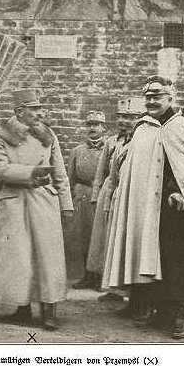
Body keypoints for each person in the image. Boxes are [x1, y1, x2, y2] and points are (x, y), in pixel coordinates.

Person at [101, 76, 184, 339]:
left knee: (176, 259)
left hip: (177, 209)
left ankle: (180, 314)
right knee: (151, 257)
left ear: (171, 97)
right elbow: (135, 168)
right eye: (147, 96)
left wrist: (180, 190)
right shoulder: (142, 128)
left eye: (157, 96)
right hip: (147, 207)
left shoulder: (183, 126)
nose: (151, 100)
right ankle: (159, 310)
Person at [0, 89, 74, 330]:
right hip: (15, 202)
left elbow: (59, 172)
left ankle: (49, 310)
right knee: (18, 258)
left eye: (40, 108)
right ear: (19, 111)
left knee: (47, 257)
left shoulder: (48, 135)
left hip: (44, 201)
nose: (39, 113)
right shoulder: (1, 136)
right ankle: (21, 308)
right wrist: (30, 173)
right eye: (34, 109)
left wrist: (66, 205)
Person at [86, 98, 145, 300]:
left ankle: (129, 289)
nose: (123, 121)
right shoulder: (113, 142)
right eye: (120, 117)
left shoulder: (141, 142)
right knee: (108, 240)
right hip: (110, 193)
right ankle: (112, 287)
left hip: (132, 194)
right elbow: (103, 172)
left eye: (129, 118)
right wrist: (97, 196)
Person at [68, 111, 107, 289]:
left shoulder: (108, 148)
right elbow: (70, 177)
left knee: (99, 236)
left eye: (96, 124)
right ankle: (86, 276)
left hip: (100, 195)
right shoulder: (77, 151)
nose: (92, 128)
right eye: (89, 124)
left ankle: (100, 277)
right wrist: (72, 197)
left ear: (103, 128)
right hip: (82, 196)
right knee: (83, 236)